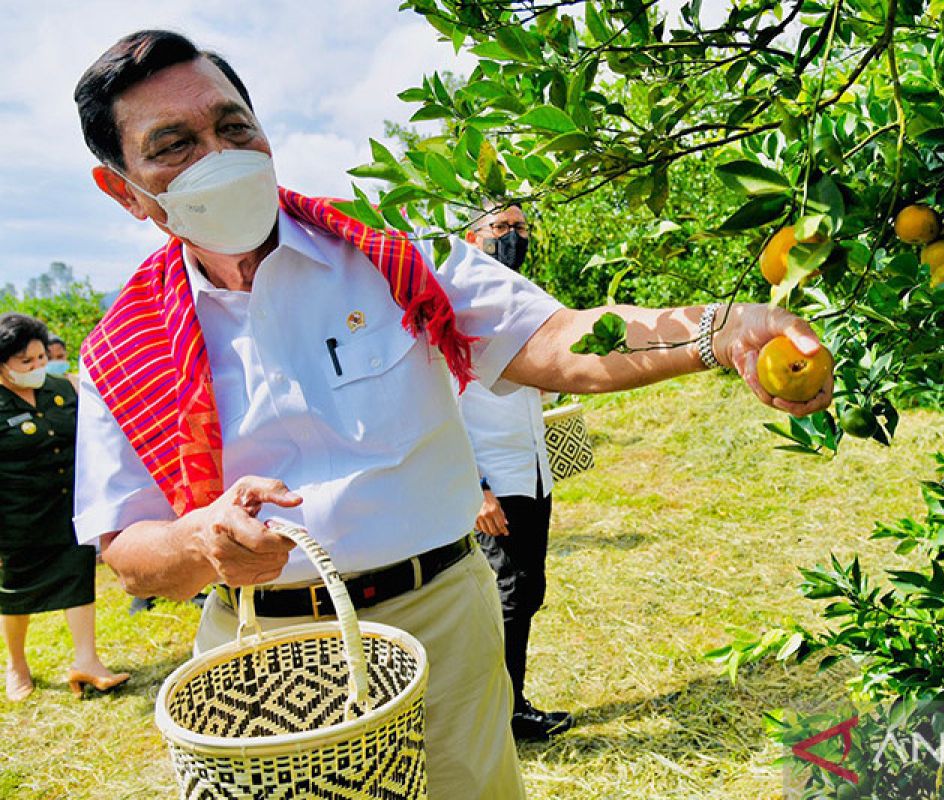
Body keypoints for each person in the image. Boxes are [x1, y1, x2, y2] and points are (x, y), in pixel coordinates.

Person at [72, 30, 831, 799]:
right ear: (126, 190)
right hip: (257, 648)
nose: (220, 157)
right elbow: (128, 550)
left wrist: (717, 330)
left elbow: (561, 341)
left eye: (233, 128)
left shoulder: (393, 253)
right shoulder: (121, 350)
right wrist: (199, 542)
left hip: (436, 618)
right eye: (174, 145)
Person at [460, 204, 571, 741]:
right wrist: (475, 488)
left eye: (521, 228)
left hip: (531, 471)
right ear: (473, 237)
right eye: (501, 228)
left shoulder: (520, 298)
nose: (514, 237)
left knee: (526, 591)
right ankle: (501, 714)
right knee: (506, 594)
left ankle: (509, 704)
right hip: (494, 480)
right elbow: (444, 403)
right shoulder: (460, 303)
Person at [0, 313, 129, 702]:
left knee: (77, 576)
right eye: (26, 362)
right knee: (16, 591)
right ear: (3, 366)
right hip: (17, 515)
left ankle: (87, 661)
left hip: (65, 506)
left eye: (40, 358)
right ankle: (16, 664)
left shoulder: (62, 390)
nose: (37, 368)